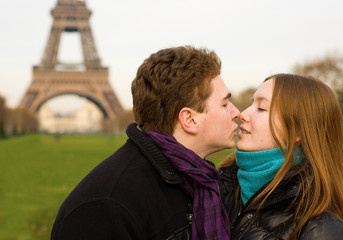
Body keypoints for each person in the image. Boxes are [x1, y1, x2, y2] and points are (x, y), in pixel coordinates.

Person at [51, 46, 240, 240]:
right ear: (190, 120)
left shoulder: (198, 181)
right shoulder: (104, 209)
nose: (237, 113)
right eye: (225, 104)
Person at [218, 73, 343, 240]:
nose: (243, 114)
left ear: (296, 131)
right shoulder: (215, 186)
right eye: (251, 103)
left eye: (261, 108)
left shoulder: (321, 230)